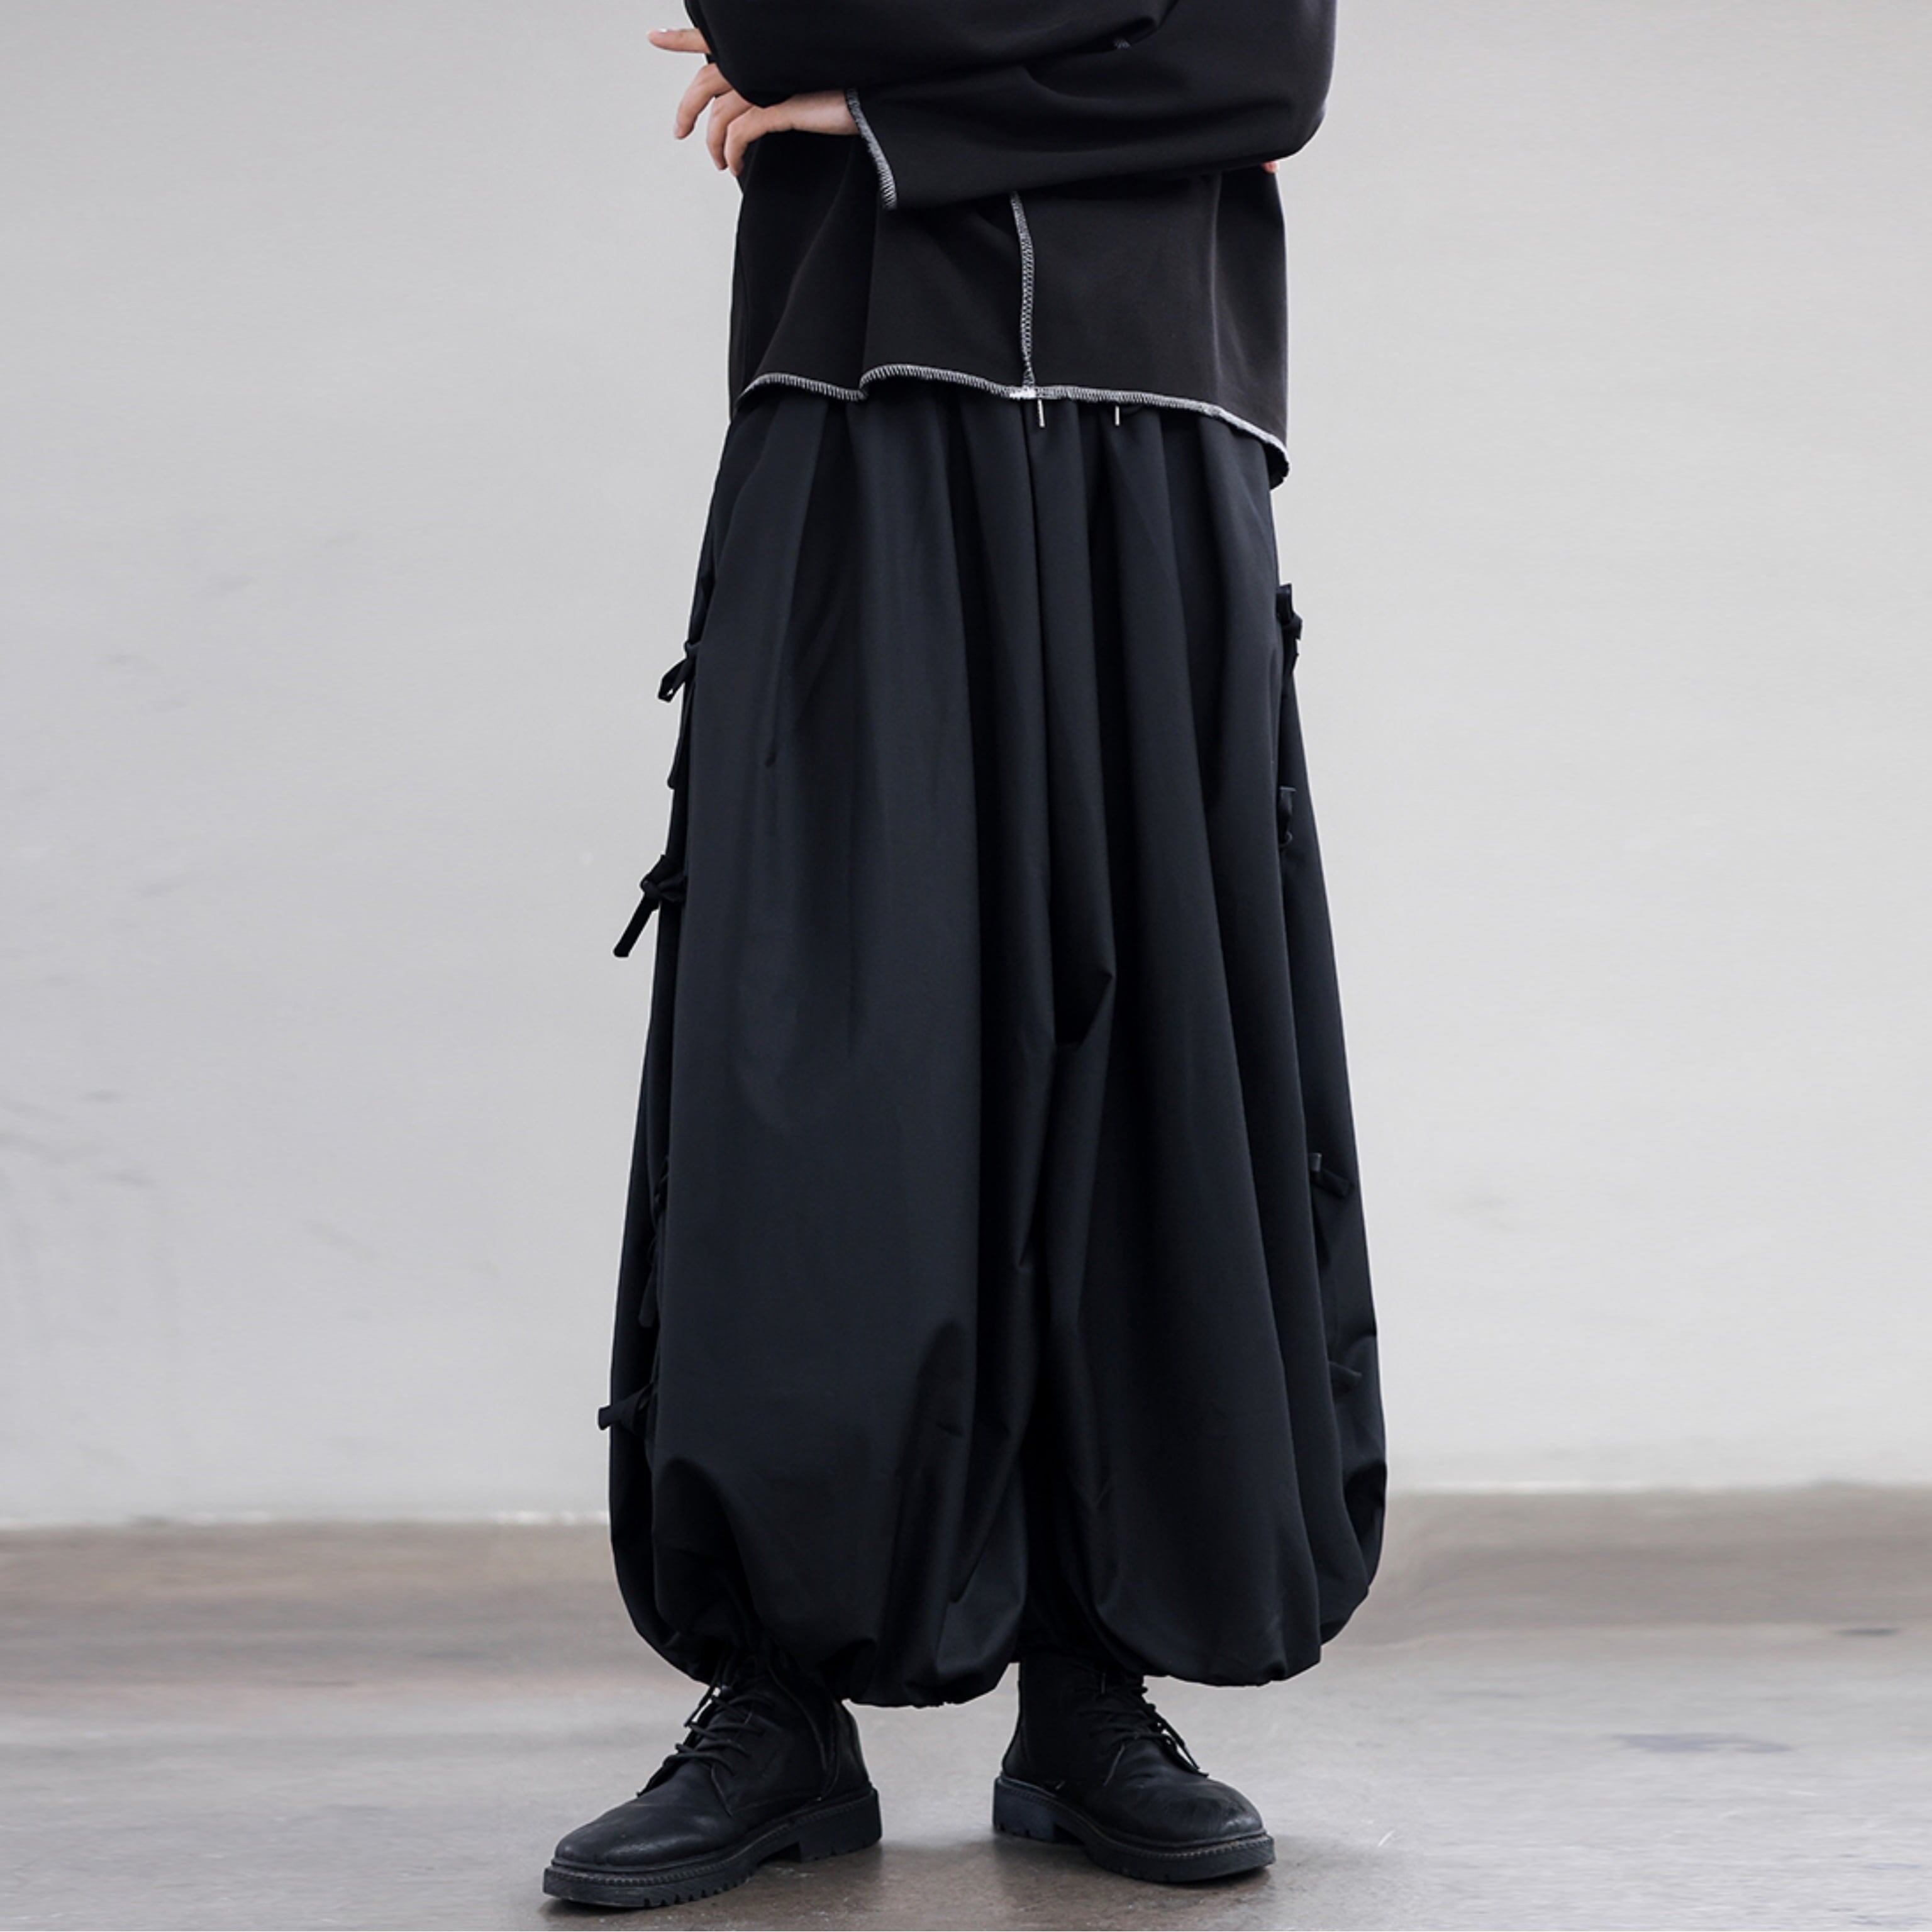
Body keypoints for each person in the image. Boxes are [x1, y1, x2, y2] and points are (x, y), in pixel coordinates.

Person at [544, 0, 1384, 1908]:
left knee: (1150, 1031)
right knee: (823, 1057)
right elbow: (774, 13)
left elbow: (1266, 72)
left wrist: (885, 105)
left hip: (1153, 425)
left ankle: (1094, 1685)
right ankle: (778, 1702)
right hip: (856, 404)